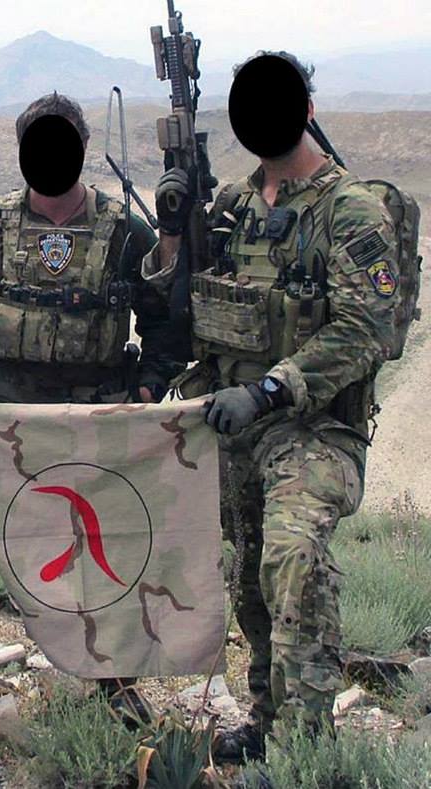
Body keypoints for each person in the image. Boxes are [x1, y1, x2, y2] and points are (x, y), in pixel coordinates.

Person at [0, 92, 186, 717]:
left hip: (91, 421)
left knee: (111, 547)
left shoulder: (124, 233)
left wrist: (145, 390)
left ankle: (115, 684)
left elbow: (165, 325)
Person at [145, 52, 401, 762]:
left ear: (307, 111)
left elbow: (367, 328)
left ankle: (305, 749)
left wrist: (269, 389)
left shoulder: (349, 209)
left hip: (314, 427)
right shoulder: (231, 205)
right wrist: (174, 228)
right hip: (233, 426)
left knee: (293, 555)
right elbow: (175, 296)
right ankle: (267, 717)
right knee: (249, 570)